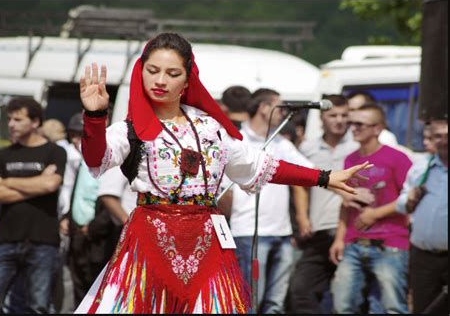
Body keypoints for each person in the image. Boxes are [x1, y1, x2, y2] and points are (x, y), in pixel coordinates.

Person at [74, 32, 371, 314]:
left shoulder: (211, 127)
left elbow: (259, 165)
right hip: (151, 240)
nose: (161, 80)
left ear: (188, 78)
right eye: (152, 70)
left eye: (173, 73)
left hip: (207, 242)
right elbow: (96, 157)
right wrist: (96, 116)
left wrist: (323, 177)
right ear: (141, 71)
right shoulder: (130, 130)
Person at [226, 88, 314, 313]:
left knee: (275, 303)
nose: (284, 113)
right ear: (264, 108)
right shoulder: (237, 140)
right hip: (248, 232)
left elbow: (307, 170)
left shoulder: (281, 143)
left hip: (282, 232)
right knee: (249, 301)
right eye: (280, 107)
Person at [0, 98, 66, 314]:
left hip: (42, 240)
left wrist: (7, 182)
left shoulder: (54, 152)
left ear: (35, 122)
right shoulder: (2, 155)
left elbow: (51, 184)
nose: (12, 124)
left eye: (18, 119)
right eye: (9, 119)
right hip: (5, 238)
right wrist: (36, 182)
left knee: (39, 306)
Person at [329, 102, 412, 313]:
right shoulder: (351, 159)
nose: (353, 128)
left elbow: (410, 198)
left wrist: (375, 214)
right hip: (354, 242)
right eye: (351, 123)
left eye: (360, 124)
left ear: (377, 128)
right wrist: (339, 239)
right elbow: (347, 202)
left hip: (390, 242)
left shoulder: (397, 158)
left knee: (391, 307)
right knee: (342, 304)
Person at [289, 94, 359, 313]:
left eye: (344, 115)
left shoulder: (358, 146)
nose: (339, 120)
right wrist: (302, 217)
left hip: (351, 231)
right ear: (321, 119)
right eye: (333, 115)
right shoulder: (308, 149)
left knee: (347, 298)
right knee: (301, 290)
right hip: (318, 231)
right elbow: (298, 183)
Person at [396, 119, 447, 314]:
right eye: (438, 136)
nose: (444, 141)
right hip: (424, 257)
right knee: (423, 309)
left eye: (447, 136)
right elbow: (402, 201)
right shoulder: (421, 167)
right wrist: (408, 200)